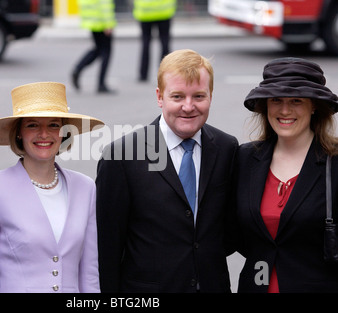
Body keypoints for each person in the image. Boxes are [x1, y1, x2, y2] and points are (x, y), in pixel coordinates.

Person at [96, 49, 238, 292]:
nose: (188, 106)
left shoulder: (227, 148)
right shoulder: (121, 156)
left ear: (211, 96)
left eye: (199, 96)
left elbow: (230, 230)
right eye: (178, 96)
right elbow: (107, 249)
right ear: (160, 97)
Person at [0, 82, 104, 293]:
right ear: (19, 133)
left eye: (53, 125)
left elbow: (89, 274)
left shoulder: (85, 187)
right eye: (32, 125)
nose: (44, 134)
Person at [235, 57, 338, 292]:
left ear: (314, 106)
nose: (284, 110)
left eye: (296, 101)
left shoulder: (335, 162)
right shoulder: (245, 158)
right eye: (276, 100)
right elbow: (236, 235)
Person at [71, 0, 116, 93]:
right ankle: (101, 84)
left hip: (92, 20)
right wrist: (108, 24)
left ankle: (78, 69)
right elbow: (105, 4)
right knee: (106, 52)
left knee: (98, 49)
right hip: (102, 22)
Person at [133, 0, 176, 82]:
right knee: (165, 43)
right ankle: (165, 73)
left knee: (145, 43)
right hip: (164, 10)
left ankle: (143, 74)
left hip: (145, 11)